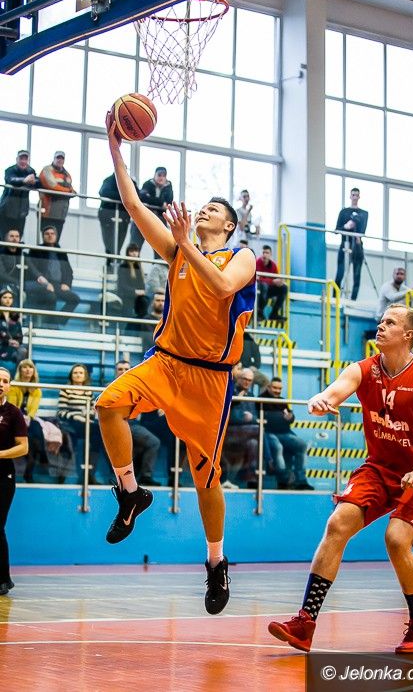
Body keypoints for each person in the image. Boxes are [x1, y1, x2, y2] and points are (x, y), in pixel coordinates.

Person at [96, 114, 256, 616]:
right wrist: (116, 148)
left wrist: (186, 242)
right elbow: (133, 205)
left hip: (210, 380)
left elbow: (223, 288)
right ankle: (130, 493)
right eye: (202, 205)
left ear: (227, 226)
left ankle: (216, 561)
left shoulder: (242, 256)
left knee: (205, 479)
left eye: (214, 209)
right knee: (107, 404)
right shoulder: (177, 252)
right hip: (165, 363)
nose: (204, 209)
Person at [269, 304, 413, 654]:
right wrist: (321, 399)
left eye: (389, 322)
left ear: (408, 335)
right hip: (379, 468)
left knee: (396, 540)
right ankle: (305, 623)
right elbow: (337, 389)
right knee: (337, 524)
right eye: (380, 321)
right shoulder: (363, 369)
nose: (380, 326)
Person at [0, 366, 28, 596]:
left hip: (3, 476)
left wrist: (0, 454)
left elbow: (23, 447)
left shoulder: (13, 413)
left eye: (5, 381)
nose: (1, 384)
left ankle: (3, 580)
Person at [114, 360, 161, 486]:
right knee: (151, 442)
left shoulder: (136, 387)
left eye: (126, 369)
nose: (123, 371)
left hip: (134, 424)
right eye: (120, 369)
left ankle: (141, 477)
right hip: (119, 423)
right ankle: (141, 476)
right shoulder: (110, 387)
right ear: (115, 372)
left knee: (146, 444)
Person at [25, 225, 80, 326]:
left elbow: (69, 271)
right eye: (47, 234)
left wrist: (67, 283)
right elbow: (32, 269)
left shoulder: (61, 252)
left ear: (56, 236)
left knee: (74, 299)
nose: (50, 236)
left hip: (57, 285)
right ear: (43, 236)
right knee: (51, 296)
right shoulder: (36, 250)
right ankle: (50, 325)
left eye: (52, 234)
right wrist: (45, 283)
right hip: (42, 284)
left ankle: (57, 322)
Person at [260, 376, 309, 490]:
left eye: (279, 388)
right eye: (274, 388)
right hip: (269, 433)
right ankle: (284, 480)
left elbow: (291, 416)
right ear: (268, 387)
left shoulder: (282, 400)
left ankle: (301, 481)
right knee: (278, 447)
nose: (277, 391)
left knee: (302, 445)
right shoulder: (261, 400)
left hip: (285, 433)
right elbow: (266, 420)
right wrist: (280, 417)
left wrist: (290, 417)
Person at [57, 364, 103, 485]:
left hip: (86, 422)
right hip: (70, 423)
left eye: (81, 373)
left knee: (99, 435)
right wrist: (77, 417)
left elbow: (93, 410)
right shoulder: (66, 390)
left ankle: (90, 475)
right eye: (75, 373)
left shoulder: (88, 391)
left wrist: (88, 414)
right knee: (87, 433)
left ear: (85, 376)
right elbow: (61, 412)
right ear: (71, 375)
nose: (78, 375)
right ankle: (63, 475)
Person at [8, 359, 45, 483]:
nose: (28, 370)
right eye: (25, 367)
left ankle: (39, 456)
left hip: (29, 419)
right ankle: (41, 457)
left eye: (30, 367)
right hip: (15, 418)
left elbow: (33, 409)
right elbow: (12, 407)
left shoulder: (37, 389)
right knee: (30, 438)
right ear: (20, 370)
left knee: (36, 429)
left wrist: (29, 417)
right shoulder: (14, 387)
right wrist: (21, 418)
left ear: (34, 371)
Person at [334, 187, 368, 301]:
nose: (355, 197)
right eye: (353, 195)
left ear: (359, 197)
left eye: (356, 195)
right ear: (350, 196)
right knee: (340, 273)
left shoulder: (364, 214)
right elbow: (337, 229)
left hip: (357, 245)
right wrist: (346, 226)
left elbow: (363, 230)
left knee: (357, 275)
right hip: (345, 244)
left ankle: (353, 300)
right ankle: (335, 298)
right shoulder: (344, 212)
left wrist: (357, 235)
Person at [98, 173, 138, 264]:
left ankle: (116, 266)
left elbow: (137, 196)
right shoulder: (109, 180)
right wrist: (124, 196)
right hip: (107, 216)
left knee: (118, 246)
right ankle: (110, 266)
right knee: (109, 246)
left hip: (123, 218)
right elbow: (104, 192)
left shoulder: (130, 182)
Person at [131, 167, 173, 249]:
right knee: (135, 244)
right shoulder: (147, 184)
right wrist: (161, 203)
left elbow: (169, 202)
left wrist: (151, 200)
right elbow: (142, 197)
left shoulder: (168, 187)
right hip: (144, 218)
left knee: (161, 246)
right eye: (159, 175)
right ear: (155, 175)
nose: (161, 178)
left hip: (160, 220)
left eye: (164, 176)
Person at [0, 150, 39, 240]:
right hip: (6, 209)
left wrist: (32, 181)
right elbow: (11, 180)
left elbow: (38, 182)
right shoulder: (10, 170)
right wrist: (24, 180)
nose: (23, 161)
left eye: (25, 159)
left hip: (22, 212)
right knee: (3, 237)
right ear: (17, 159)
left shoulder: (31, 171)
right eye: (21, 159)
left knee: (18, 238)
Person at [38, 151, 75, 241]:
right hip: (48, 212)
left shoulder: (67, 174)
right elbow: (51, 186)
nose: (60, 160)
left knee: (56, 240)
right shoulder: (47, 170)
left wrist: (72, 191)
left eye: (62, 158)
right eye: (58, 158)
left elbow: (71, 188)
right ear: (54, 159)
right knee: (47, 239)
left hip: (61, 213)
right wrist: (68, 191)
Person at [256, 245, 287, 321]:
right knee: (264, 286)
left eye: (267, 253)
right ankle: (259, 312)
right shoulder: (257, 263)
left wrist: (279, 282)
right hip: (259, 289)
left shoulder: (273, 265)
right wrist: (272, 281)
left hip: (269, 289)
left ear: (270, 254)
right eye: (263, 252)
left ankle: (274, 313)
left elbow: (275, 278)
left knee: (284, 288)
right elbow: (258, 279)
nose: (265, 255)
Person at [0, 285, 27, 370]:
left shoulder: (15, 315)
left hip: (12, 347)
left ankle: (18, 375)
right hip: (2, 344)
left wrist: (17, 342)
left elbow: (19, 334)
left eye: (10, 298)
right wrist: (7, 341)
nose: (8, 300)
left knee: (23, 351)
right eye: (5, 297)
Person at [117, 243, 147, 315]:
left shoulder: (138, 267)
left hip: (138, 297)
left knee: (145, 301)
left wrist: (142, 291)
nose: (134, 253)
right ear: (128, 253)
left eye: (136, 251)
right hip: (126, 295)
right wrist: (135, 291)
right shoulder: (123, 266)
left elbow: (142, 285)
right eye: (131, 251)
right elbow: (122, 285)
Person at [0, 229, 23, 301]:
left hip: (20, 283)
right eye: (12, 236)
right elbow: (1, 274)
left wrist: (39, 277)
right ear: (6, 239)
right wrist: (16, 281)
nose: (14, 239)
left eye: (17, 236)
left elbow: (32, 268)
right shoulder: (1, 253)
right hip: (4, 283)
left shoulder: (22, 253)